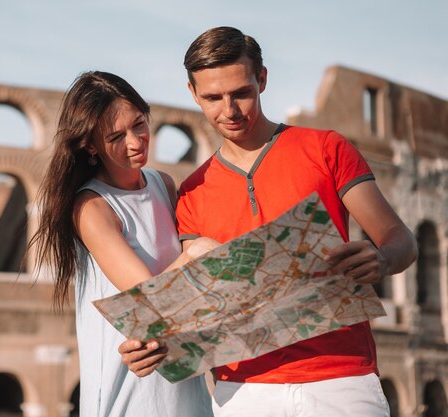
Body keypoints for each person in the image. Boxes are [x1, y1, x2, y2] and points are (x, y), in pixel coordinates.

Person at [119, 26, 418, 416]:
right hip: (242, 391)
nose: (229, 111)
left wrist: (381, 259)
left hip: (340, 379)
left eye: (241, 93)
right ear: (192, 93)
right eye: (212, 98)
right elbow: (197, 302)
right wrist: (150, 345)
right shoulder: (191, 192)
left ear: (261, 79)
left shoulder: (326, 149)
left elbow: (401, 240)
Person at [27, 71, 214, 417]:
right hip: (129, 387)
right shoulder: (91, 207)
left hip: (182, 375)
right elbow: (145, 298)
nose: (135, 142)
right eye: (116, 136)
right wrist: (196, 254)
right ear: (90, 145)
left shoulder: (165, 185)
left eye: (139, 124)